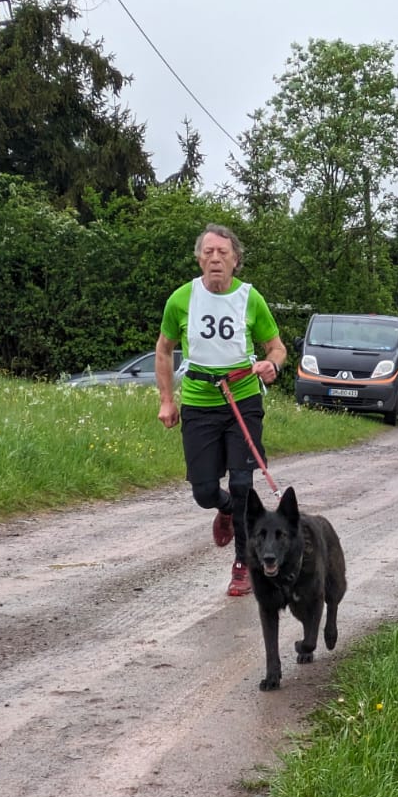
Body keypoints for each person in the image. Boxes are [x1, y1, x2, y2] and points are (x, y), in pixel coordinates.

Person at [155, 225, 286, 595]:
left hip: (242, 399)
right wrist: (167, 400)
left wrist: (271, 365)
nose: (215, 258)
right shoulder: (181, 299)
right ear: (199, 259)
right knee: (204, 492)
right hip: (199, 403)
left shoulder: (250, 298)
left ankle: (244, 562)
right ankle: (224, 508)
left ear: (236, 260)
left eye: (223, 252)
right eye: (208, 252)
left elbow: (277, 348)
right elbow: (163, 350)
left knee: (243, 484)